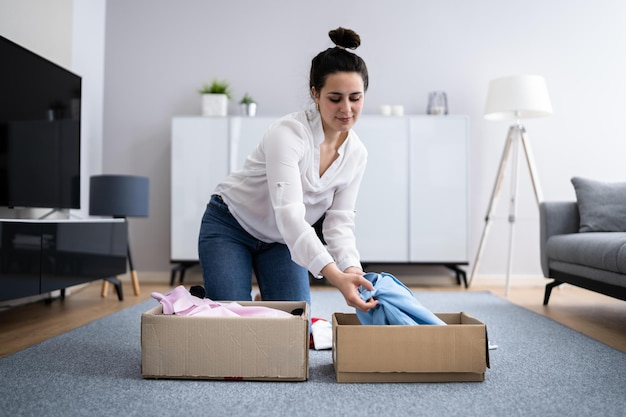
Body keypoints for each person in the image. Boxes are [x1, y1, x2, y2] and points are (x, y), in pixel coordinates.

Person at [197, 27, 377, 312]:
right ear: (315, 94)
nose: (346, 108)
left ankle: (264, 300)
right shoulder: (288, 134)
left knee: (295, 323)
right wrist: (335, 277)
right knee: (229, 322)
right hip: (231, 225)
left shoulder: (357, 154)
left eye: (355, 97)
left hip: (282, 241)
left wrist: (352, 270)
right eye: (335, 98)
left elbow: (338, 223)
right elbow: (291, 217)